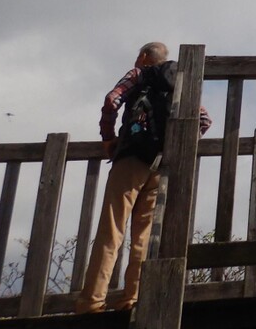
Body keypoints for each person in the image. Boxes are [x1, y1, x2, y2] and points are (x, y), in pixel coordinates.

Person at [75, 42, 212, 313]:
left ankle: (92, 302)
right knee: (144, 237)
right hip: (160, 166)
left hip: (130, 160)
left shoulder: (138, 75)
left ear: (145, 56)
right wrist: (176, 149)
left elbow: (111, 100)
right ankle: (132, 299)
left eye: (138, 55)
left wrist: (108, 139)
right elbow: (205, 120)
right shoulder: (178, 83)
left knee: (112, 230)